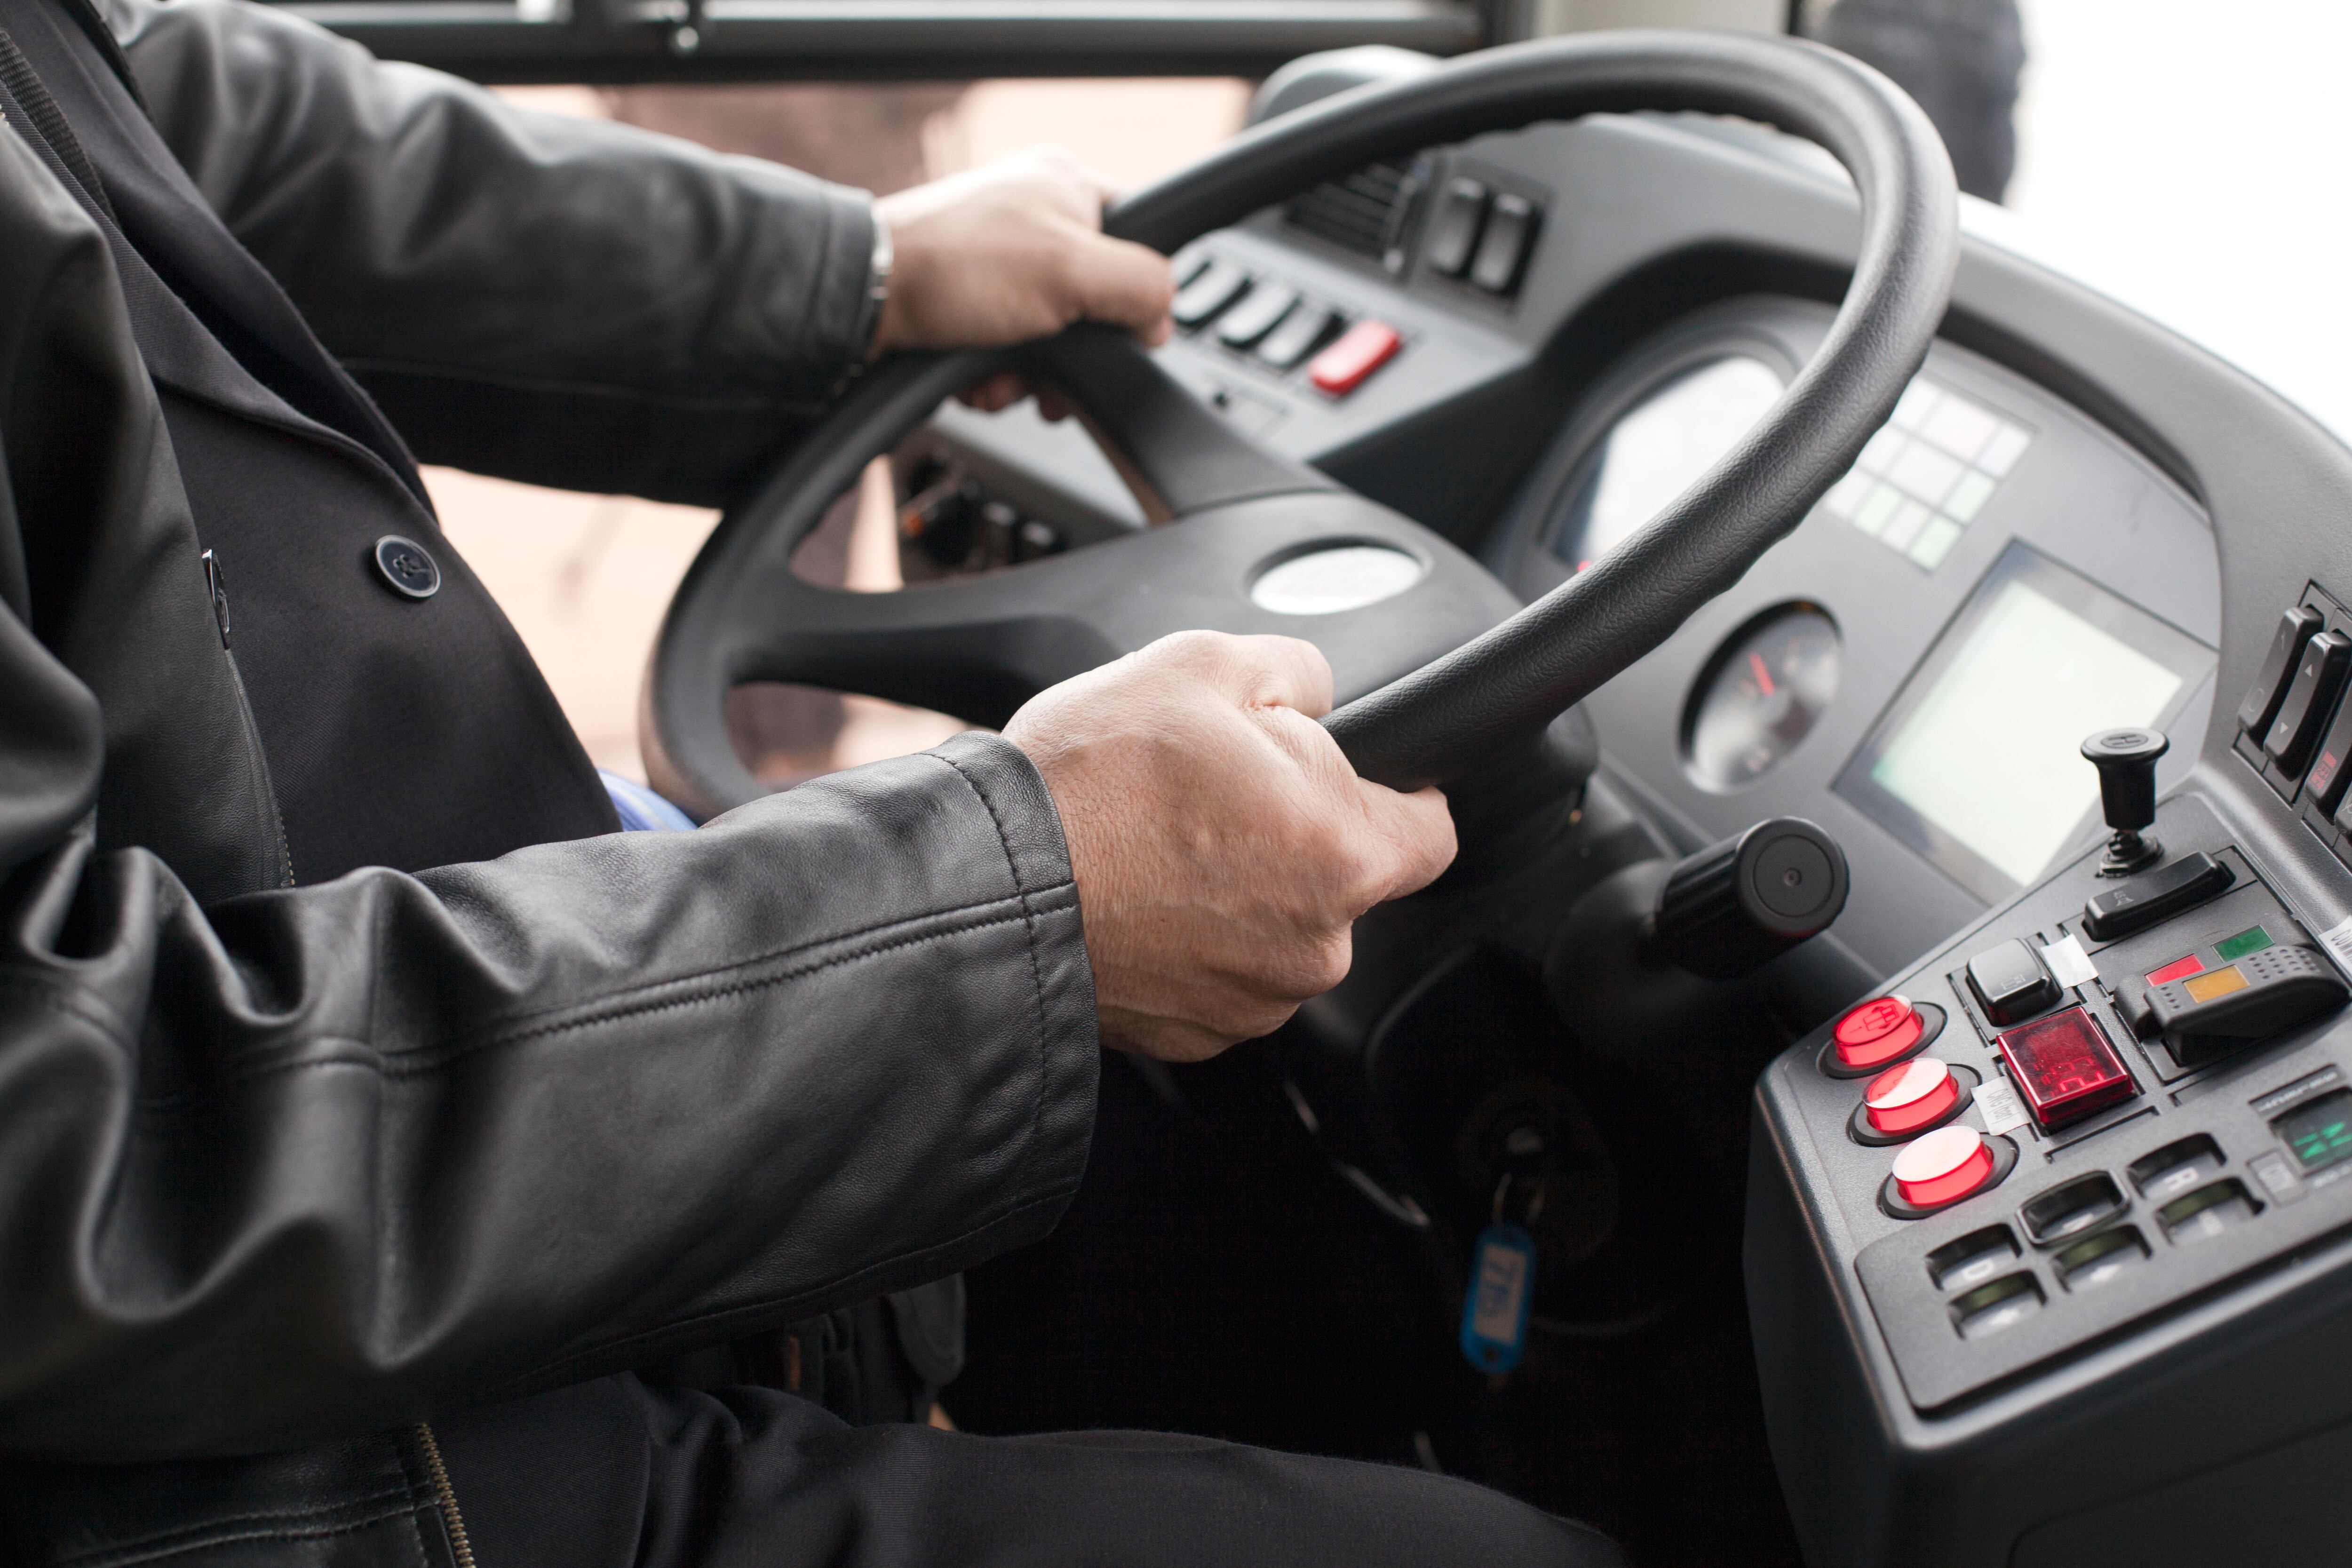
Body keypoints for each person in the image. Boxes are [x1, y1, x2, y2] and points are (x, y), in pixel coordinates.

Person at [0, 0, 1627, 1561]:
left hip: (367, 1230)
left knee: (1194, 1191)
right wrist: (1010, 910)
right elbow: (73, 1148)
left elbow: (159, 113)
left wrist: (853, 274)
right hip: (325, 1481)